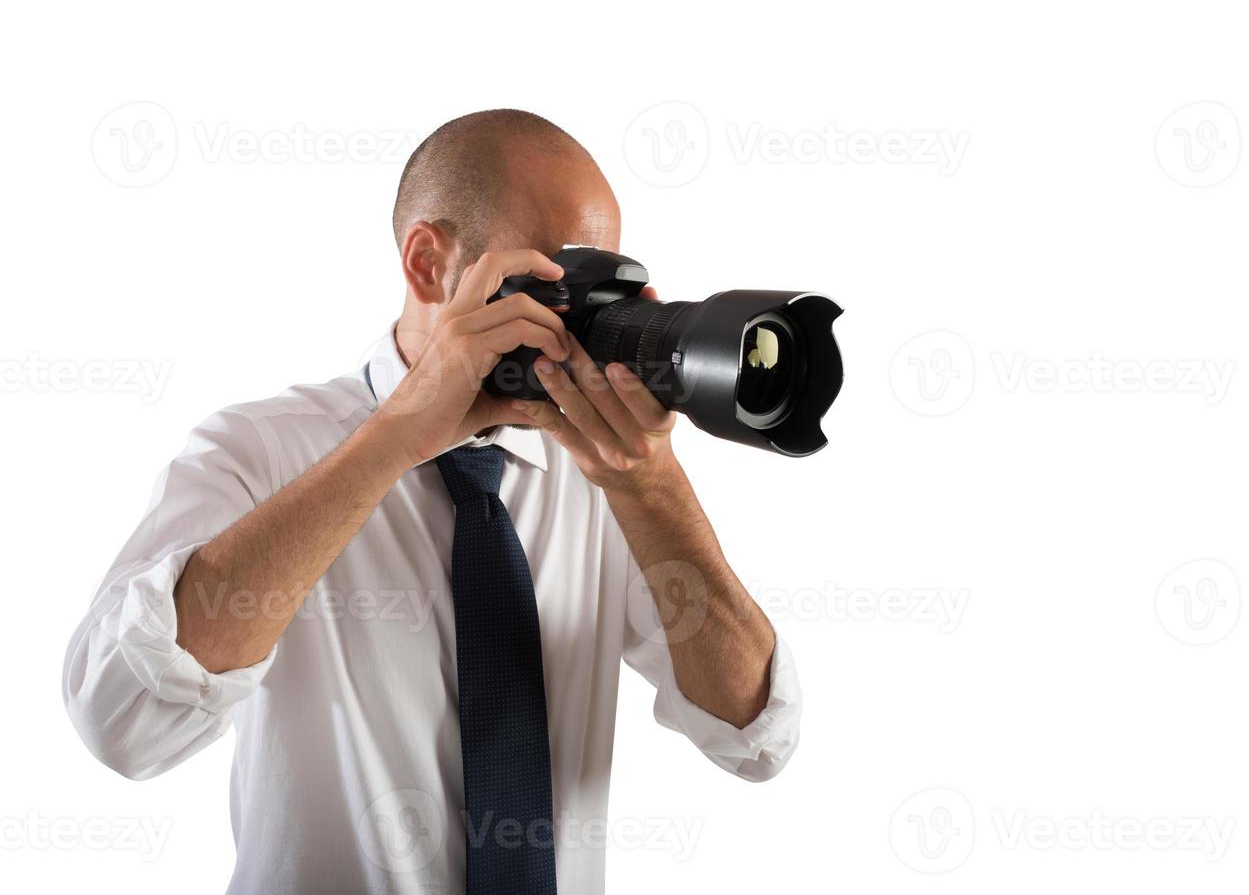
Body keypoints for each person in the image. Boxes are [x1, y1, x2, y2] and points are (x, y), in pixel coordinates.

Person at [63, 108, 801, 894]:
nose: (585, 326)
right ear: (427, 264)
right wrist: (398, 437)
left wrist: (650, 482)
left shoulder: (603, 475)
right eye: (559, 282)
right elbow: (122, 723)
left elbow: (754, 736)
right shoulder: (255, 450)